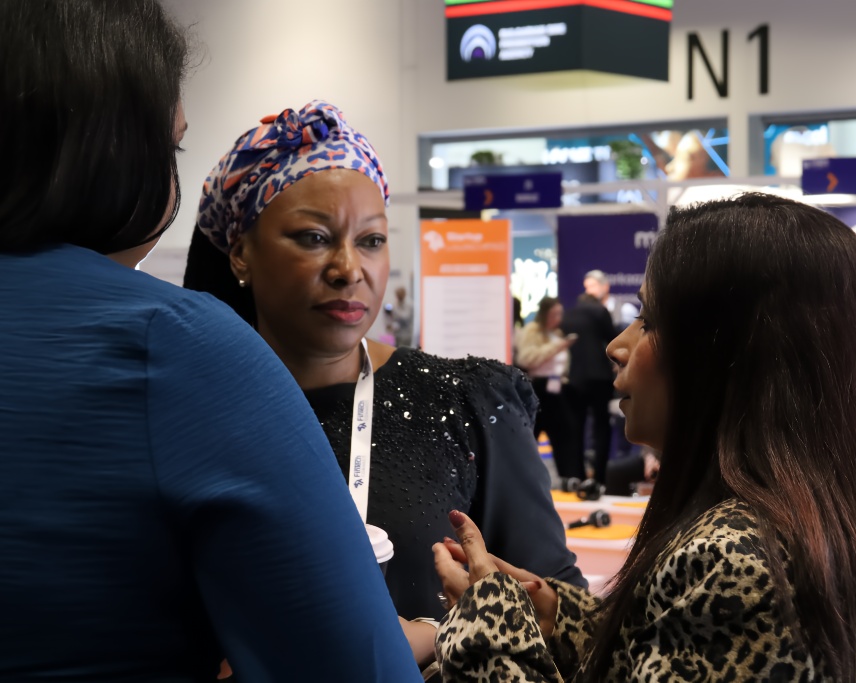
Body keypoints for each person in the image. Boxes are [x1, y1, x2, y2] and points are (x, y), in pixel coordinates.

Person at [0, 3, 421, 681]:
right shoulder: (179, 349)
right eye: (170, 149)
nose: (348, 269)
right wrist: (435, 634)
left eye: (372, 239)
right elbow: (358, 667)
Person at [432, 193, 856, 682]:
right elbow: (683, 652)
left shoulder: (743, 559)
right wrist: (555, 615)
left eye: (648, 320)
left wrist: (488, 633)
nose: (618, 346)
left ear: (731, 356)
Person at [184, 101, 584, 672]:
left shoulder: (465, 402)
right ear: (241, 253)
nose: (349, 269)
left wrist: (436, 635)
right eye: (314, 237)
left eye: (371, 241)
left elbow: (560, 619)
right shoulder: (192, 412)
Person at [515, 296, 583, 480]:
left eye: (560, 314)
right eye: (554, 314)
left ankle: (569, 480)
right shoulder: (533, 331)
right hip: (538, 388)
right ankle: (523, 480)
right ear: (545, 313)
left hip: (557, 388)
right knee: (531, 436)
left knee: (565, 436)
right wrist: (556, 347)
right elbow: (526, 359)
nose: (558, 318)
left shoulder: (558, 333)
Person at [561, 293, 617, 485]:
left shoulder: (567, 315)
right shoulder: (600, 311)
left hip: (574, 378)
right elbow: (613, 340)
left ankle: (578, 475)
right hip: (599, 376)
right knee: (601, 426)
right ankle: (600, 477)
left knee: (576, 427)